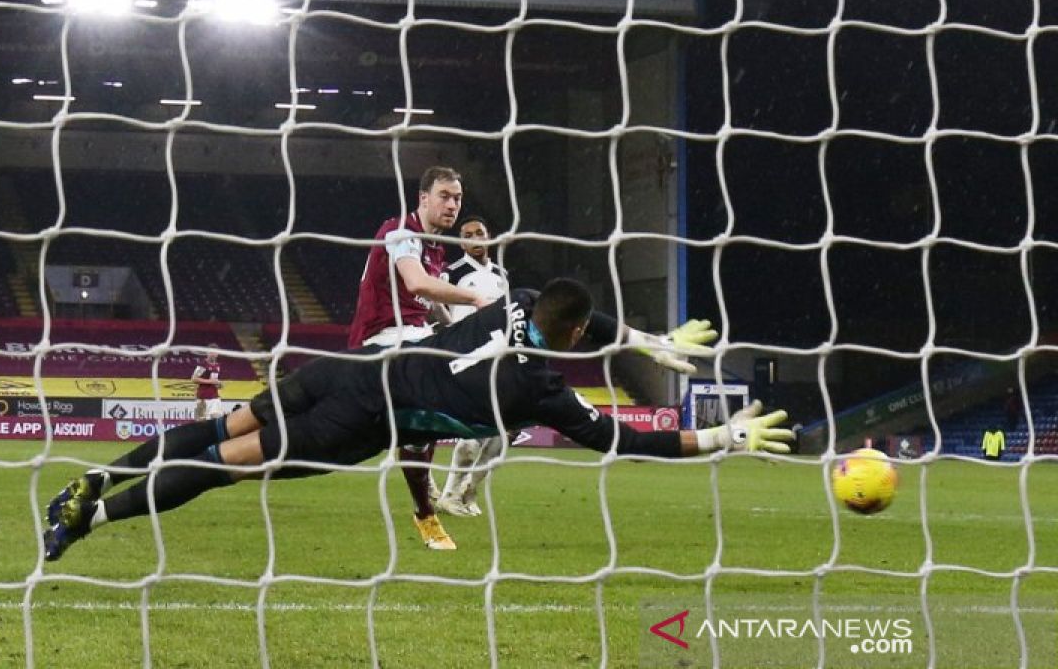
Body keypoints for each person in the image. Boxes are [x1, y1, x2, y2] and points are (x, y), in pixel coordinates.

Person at [41, 277, 794, 562]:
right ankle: (89, 520)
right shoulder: (542, 394)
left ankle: (93, 477)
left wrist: (646, 340)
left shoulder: (516, 298)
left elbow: (577, 319)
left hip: (346, 369)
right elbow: (630, 439)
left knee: (216, 428)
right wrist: (723, 435)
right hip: (360, 422)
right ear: (567, 340)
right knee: (215, 469)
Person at [347, 166, 491, 550]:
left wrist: (454, 324)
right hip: (382, 338)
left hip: (414, 335)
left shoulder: (436, 249)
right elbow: (417, 283)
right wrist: (476, 300)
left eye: (457, 198)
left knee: (425, 421)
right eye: (444, 195)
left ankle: (422, 486)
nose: (452, 204)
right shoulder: (400, 232)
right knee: (449, 386)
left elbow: (426, 303)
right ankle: (426, 501)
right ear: (423, 198)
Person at [437, 215, 511, 518]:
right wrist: (451, 331)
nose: (475, 238)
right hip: (465, 358)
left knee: (499, 436)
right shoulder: (452, 272)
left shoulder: (501, 274)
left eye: (479, 232)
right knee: (470, 435)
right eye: (467, 234)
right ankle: (449, 495)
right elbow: (433, 302)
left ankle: (468, 492)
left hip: (498, 356)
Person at [192, 345, 225, 420]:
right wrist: (210, 381)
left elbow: (215, 380)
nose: (213, 354)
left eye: (215, 352)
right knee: (201, 422)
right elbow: (194, 379)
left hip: (215, 398)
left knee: (217, 420)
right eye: (211, 352)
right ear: (207, 353)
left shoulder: (217, 366)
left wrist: (219, 384)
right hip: (202, 398)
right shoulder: (202, 365)